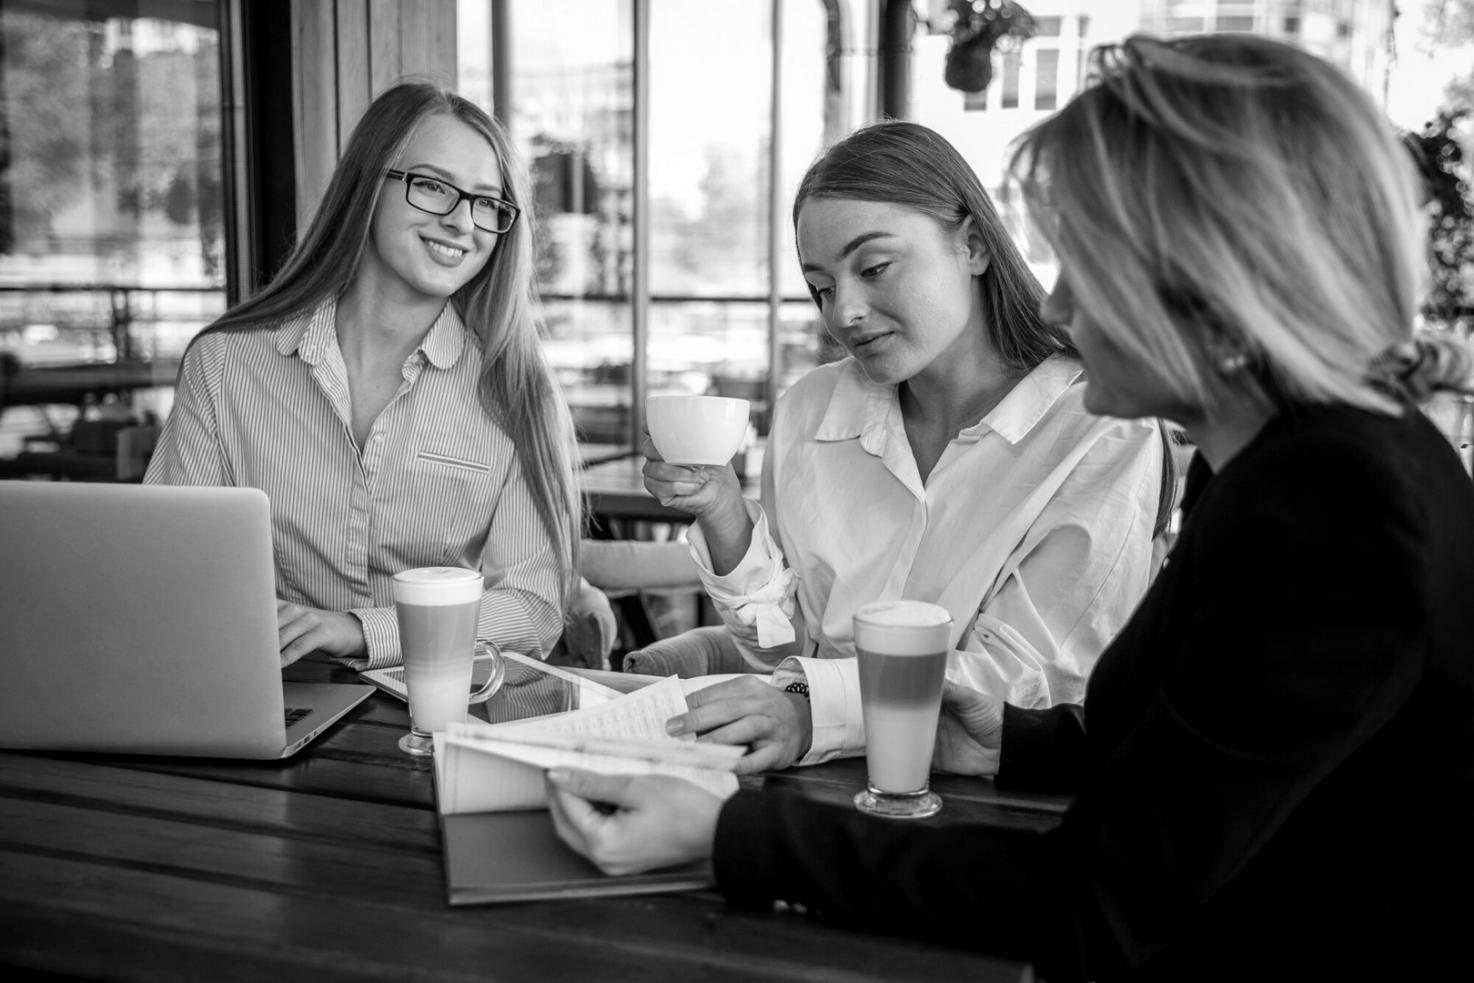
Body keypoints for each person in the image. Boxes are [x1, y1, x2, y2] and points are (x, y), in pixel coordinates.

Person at [545, 34, 1474, 982]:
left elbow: (1100, 895)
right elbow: (1204, 761)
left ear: (1211, 277)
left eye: (1086, 263)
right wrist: (1013, 742)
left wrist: (734, 835)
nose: (1059, 305)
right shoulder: (1282, 468)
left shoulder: (1335, 507)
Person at [633, 119, 1166, 772]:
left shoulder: (1102, 428)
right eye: (823, 287)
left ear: (973, 245)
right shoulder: (809, 411)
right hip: (811, 779)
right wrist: (723, 514)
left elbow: (1022, 686)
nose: (843, 313)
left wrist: (813, 713)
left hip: (989, 802)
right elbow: (786, 656)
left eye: (875, 268)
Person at [145, 82, 583, 671]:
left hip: (432, 705)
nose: (462, 222)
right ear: (368, 186)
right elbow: (169, 567)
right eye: (433, 186)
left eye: (486, 203)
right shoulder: (226, 363)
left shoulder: (516, 389)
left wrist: (359, 631)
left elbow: (532, 609)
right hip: (269, 690)